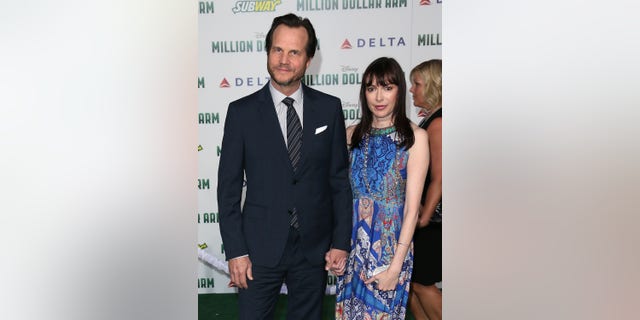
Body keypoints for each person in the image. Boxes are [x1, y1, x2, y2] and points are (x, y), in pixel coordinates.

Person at [217, 13, 352, 320]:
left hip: (312, 248)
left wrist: (341, 242)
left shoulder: (329, 108)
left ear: (309, 59)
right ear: (268, 52)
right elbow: (228, 189)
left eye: (294, 52)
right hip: (258, 248)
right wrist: (236, 251)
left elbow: (339, 181)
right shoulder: (241, 113)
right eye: (278, 50)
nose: (284, 60)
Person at [335, 57, 429, 319]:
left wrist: (396, 267)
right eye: (371, 87)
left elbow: (412, 209)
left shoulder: (414, 138)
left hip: (390, 250)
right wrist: (336, 245)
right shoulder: (350, 135)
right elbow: (338, 196)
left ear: (399, 91)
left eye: (387, 87)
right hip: (352, 247)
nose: (379, 96)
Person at [407, 59, 443, 320]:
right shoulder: (432, 120)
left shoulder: (439, 123)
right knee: (412, 285)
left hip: (433, 220)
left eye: (417, 84)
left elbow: (440, 179)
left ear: (433, 86)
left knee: (422, 283)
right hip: (426, 217)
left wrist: (424, 218)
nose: (411, 90)